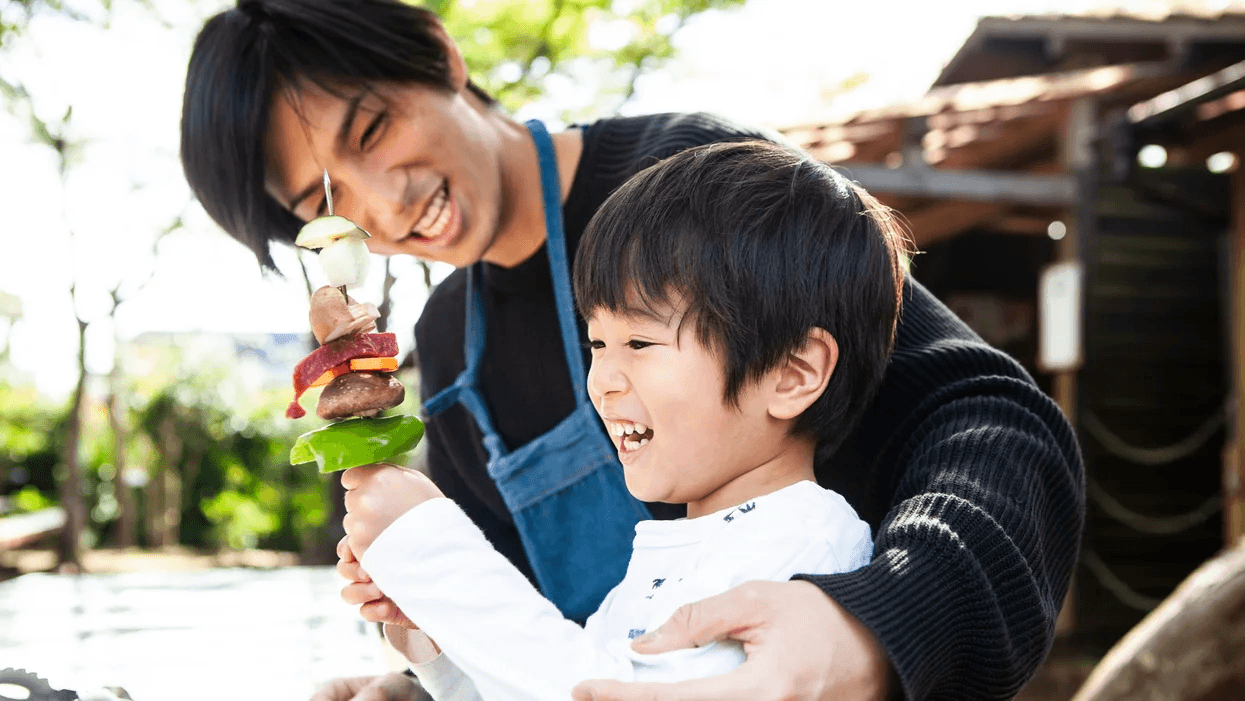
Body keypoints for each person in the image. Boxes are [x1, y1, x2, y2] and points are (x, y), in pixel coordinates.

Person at [179, 1, 1086, 699]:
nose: (382, 204)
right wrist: (426, 674)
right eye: (323, 203)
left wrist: (877, 628)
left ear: (441, 58)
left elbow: (993, 422)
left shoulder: (690, 187)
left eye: (372, 130)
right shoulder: (445, 344)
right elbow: (549, 637)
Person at [337, 139, 902, 700]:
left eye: (638, 340)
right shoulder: (673, 549)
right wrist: (433, 636)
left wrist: (432, 551)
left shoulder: (802, 542)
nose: (601, 379)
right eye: (597, 344)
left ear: (791, 373)